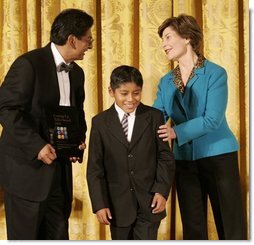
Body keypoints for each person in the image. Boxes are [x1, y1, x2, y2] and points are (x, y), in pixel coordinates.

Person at [0, 8, 94, 240]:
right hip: (26, 174)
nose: (90, 46)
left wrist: (76, 141)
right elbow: (6, 109)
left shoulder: (77, 74)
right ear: (72, 40)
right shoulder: (28, 64)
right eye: (88, 40)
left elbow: (77, 114)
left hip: (59, 176)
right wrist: (37, 146)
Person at [153, 14, 246, 240]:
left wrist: (176, 131)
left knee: (229, 223)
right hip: (184, 160)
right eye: (162, 40)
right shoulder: (166, 81)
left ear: (186, 37)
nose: (163, 45)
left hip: (219, 156)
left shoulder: (215, 73)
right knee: (192, 227)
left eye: (168, 37)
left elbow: (212, 119)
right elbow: (155, 117)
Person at [86, 65, 175, 240]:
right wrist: (99, 204)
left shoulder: (155, 116)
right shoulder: (100, 122)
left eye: (136, 93)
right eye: (124, 93)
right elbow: (95, 168)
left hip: (149, 203)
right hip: (117, 207)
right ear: (111, 91)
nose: (131, 99)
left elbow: (165, 157)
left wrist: (161, 191)